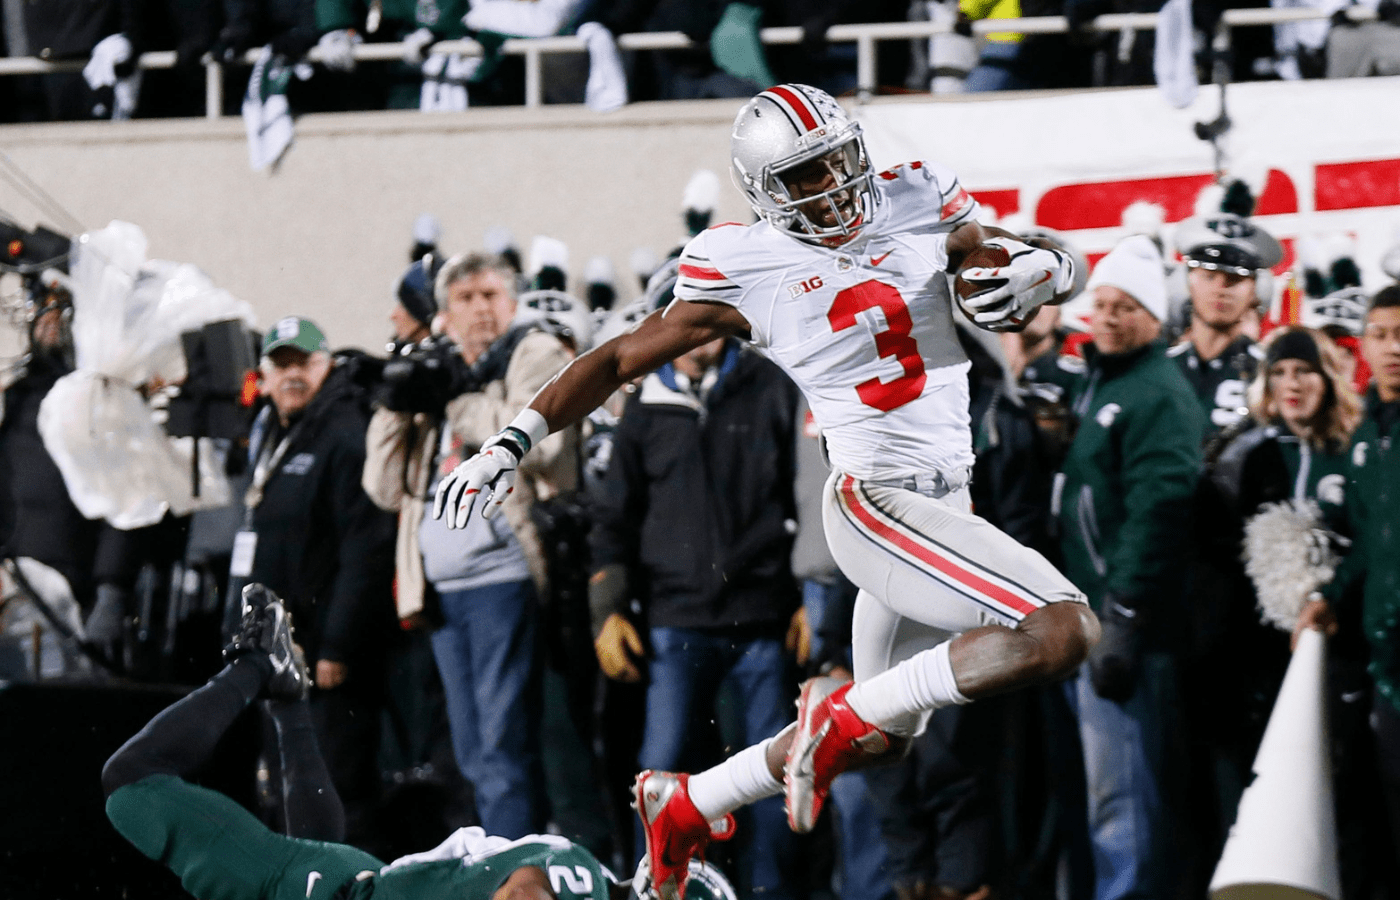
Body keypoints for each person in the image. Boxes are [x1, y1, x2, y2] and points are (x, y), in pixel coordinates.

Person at [432, 83, 1098, 900]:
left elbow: (996, 257)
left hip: (944, 504)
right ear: (766, 194)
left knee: (881, 740)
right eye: (806, 177)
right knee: (1062, 629)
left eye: (837, 162)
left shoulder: (917, 190)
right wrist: (512, 439)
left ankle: (686, 800)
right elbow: (613, 361)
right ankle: (834, 712)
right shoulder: (742, 264)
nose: (834, 186)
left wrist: (1051, 267)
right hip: (877, 505)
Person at [103, 582, 739, 900]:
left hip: (356, 881)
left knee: (307, 854)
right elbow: (523, 891)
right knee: (131, 783)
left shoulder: (588, 871)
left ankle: (289, 700)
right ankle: (257, 667)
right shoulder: (577, 879)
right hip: (339, 891)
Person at [363, 252, 577, 839]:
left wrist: (456, 401)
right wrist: (395, 403)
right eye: (465, 299)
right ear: (444, 315)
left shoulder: (532, 353)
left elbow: (546, 446)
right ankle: (498, 862)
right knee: (471, 748)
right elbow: (384, 487)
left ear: (512, 303)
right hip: (438, 587)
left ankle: (515, 871)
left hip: (502, 576)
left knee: (503, 742)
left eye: (490, 296)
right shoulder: (436, 366)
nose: (480, 309)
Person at [587, 319, 803, 897]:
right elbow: (614, 520)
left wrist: (812, 596)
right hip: (674, 625)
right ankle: (652, 891)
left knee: (779, 776)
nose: (699, 335)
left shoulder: (772, 385)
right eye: (688, 322)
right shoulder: (643, 407)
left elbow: (805, 492)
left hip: (764, 620)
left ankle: (770, 895)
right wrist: (606, 607)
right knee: (659, 774)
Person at [1055, 235, 1204, 900]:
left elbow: (1161, 510)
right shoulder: (1108, 383)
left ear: (1154, 315)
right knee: (1105, 795)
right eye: (1102, 303)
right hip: (1090, 618)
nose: (1108, 317)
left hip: (1126, 628)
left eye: (1126, 306)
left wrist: (1125, 614)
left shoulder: (1156, 393)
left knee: (1126, 801)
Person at [240, 315, 397, 849]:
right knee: (288, 789)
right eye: (280, 365)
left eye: (303, 363)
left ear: (326, 366)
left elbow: (364, 549)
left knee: (334, 787)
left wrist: (338, 644)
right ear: (264, 374)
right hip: (281, 654)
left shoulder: (344, 433)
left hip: (326, 660)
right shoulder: (276, 433)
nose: (293, 375)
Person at [1304, 284, 1400, 870]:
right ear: (1364, 343)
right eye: (1383, 336)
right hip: (1387, 665)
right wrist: (1330, 598)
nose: (1394, 349)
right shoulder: (1367, 434)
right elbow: (1369, 543)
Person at [1166, 213, 1284, 434]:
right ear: (1188, 281)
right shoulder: (1158, 370)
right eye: (1209, 276)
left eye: (1235, 280)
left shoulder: (1273, 376)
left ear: (1253, 291)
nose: (1220, 289)